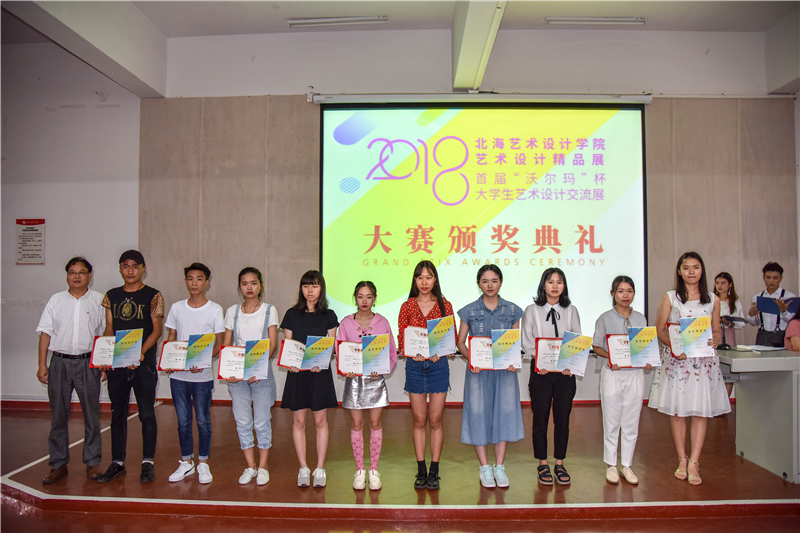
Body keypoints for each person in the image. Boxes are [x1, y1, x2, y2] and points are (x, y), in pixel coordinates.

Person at [648, 252, 730, 486]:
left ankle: (695, 462)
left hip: (703, 362)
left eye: (696, 267)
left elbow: (716, 330)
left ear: (702, 270)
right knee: (678, 411)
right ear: (679, 271)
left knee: (700, 411)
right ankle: (682, 459)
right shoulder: (671, 297)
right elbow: (659, 329)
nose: (691, 272)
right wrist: (674, 347)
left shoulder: (713, 299)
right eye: (686, 268)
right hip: (678, 362)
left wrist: (716, 339)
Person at [36, 257, 106, 484]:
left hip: (88, 363)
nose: (77, 276)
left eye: (81, 272)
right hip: (59, 363)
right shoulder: (56, 300)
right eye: (72, 272)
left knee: (91, 416)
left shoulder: (99, 300)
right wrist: (42, 364)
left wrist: (104, 362)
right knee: (58, 416)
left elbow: (105, 334)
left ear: (89, 276)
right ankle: (58, 464)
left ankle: (92, 462)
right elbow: (45, 334)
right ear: (67, 275)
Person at [97, 250, 164, 484]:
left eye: (135, 266)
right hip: (117, 365)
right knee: (117, 414)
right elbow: (109, 328)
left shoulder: (153, 295)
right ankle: (117, 462)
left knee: (146, 413)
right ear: (120, 269)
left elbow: (157, 330)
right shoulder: (111, 296)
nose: (130, 271)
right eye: (125, 266)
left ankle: (148, 462)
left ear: (143, 269)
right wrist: (105, 355)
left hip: (143, 365)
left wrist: (140, 352)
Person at [455, 265, 524, 489]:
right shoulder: (468, 311)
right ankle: (485, 467)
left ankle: (500, 466)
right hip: (478, 373)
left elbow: (515, 343)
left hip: (505, 373)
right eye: (485, 281)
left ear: (501, 282)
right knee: (478, 414)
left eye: (494, 280)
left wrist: (513, 361)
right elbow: (460, 342)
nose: (490, 285)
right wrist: (472, 359)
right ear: (478, 284)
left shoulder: (513, 310)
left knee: (504, 413)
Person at [163, 263, 225, 485]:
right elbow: (171, 337)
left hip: (202, 376)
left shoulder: (215, 309)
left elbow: (219, 342)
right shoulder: (177, 308)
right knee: (183, 421)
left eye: (199, 279)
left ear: (207, 282)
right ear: (185, 281)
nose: (194, 283)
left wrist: (204, 361)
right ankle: (186, 462)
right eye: (190, 278)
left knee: (202, 420)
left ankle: (203, 462)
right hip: (178, 377)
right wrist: (168, 359)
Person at [398, 260, 456, 491]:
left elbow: (450, 338)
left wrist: (440, 351)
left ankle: (434, 470)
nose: (424, 282)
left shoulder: (445, 305)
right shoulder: (407, 306)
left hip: (438, 366)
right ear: (415, 280)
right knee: (419, 420)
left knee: (436, 419)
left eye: (428, 277)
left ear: (435, 280)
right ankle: (421, 469)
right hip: (414, 366)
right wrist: (412, 351)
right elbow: (402, 338)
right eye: (420, 277)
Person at [520, 267, 581, 486]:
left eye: (559, 282)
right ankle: (543, 463)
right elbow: (526, 340)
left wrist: (570, 363)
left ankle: (560, 463)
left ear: (564, 286)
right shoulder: (532, 310)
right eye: (550, 281)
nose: (555, 286)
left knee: (562, 420)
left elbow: (576, 339)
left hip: (565, 373)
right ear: (543, 285)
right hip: (541, 372)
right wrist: (540, 360)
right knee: (540, 419)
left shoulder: (571, 310)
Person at [335, 281, 397, 491]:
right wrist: (346, 369)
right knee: (356, 424)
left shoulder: (382, 322)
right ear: (355, 298)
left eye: (369, 297)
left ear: (374, 298)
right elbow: (340, 352)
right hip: (354, 382)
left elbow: (391, 351)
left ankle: (374, 470)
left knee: (376, 423)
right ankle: (360, 470)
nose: (364, 301)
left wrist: (383, 368)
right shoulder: (345, 323)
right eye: (360, 296)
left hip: (375, 381)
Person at [280, 270, 339, 488]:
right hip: (297, 375)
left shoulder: (329, 315)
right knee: (299, 422)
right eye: (306, 286)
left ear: (321, 288)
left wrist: (321, 360)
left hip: (319, 374)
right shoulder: (291, 314)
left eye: (314, 286)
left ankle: (320, 467)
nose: (310, 290)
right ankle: (303, 467)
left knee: (320, 421)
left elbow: (331, 347)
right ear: (301, 289)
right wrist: (291, 363)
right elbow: (288, 345)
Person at [222, 267, 279, 486]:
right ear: (240, 286)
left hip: (261, 375)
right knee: (243, 421)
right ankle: (250, 466)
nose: (249, 287)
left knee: (262, 422)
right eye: (244, 283)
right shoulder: (232, 312)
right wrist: (229, 370)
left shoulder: (269, 310)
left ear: (260, 285)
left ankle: (263, 467)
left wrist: (258, 368)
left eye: (253, 283)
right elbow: (227, 344)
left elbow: (272, 344)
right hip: (237, 377)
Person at [592, 276, 650, 485]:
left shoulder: (641, 318)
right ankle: (611, 465)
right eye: (621, 291)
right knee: (611, 420)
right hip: (612, 373)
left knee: (631, 420)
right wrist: (611, 357)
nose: (625, 295)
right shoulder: (604, 318)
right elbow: (596, 346)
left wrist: (648, 359)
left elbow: (645, 346)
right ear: (613, 294)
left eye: (629, 291)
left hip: (635, 374)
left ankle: (626, 465)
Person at [746, 262, 796, 347]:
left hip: (781, 336)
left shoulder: (789, 296)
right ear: (763, 277)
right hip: (762, 336)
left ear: (781, 278)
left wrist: (784, 311)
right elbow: (755, 323)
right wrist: (751, 315)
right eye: (768, 277)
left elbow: (793, 321)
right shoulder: (757, 297)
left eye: (775, 278)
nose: (771, 281)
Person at [714, 272, 745, 396]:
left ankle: (726, 400)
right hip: (713, 335)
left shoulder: (734, 301)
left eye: (723, 283)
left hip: (728, 334)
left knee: (727, 369)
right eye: (717, 283)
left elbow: (740, 323)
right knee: (714, 367)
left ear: (730, 285)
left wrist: (728, 323)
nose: (719, 286)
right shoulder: (710, 299)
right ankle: (715, 400)